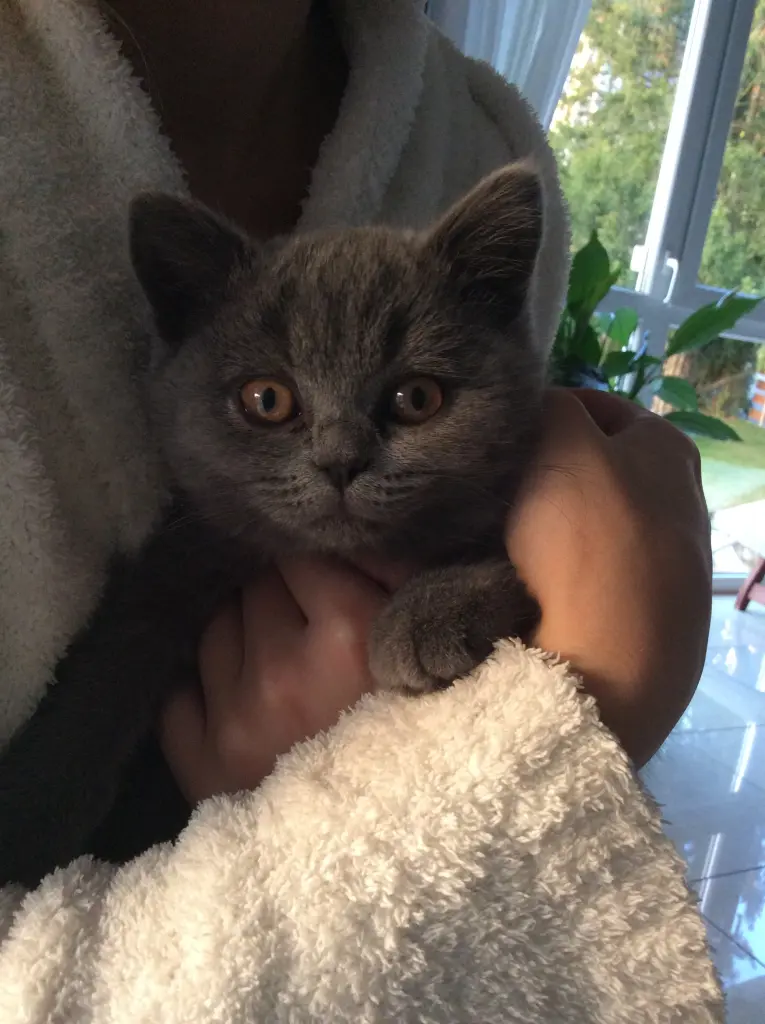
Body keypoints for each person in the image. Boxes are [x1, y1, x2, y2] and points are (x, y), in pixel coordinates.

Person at [0, 2, 717, 1020]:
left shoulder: (474, 134)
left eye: (414, 400)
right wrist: (608, 668)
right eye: (270, 403)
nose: (337, 453)